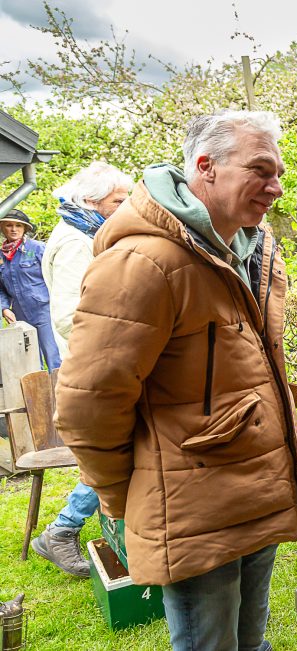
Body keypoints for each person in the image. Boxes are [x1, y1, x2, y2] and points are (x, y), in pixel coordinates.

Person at [55, 110, 297, 651]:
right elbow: (89, 403)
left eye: (280, 173)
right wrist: (118, 494)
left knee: (250, 644)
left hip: (254, 487)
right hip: (195, 503)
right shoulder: (144, 262)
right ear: (207, 167)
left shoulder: (250, 249)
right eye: (262, 170)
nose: (276, 187)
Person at [30, 162, 133, 578]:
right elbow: (71, 316)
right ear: (91, 201)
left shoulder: (85, 232)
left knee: (120, 450)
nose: (124, 207)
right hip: (96, 366)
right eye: (117, 201)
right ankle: (62, 529)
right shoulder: (75, 241)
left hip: (99, 362)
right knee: (116, 451)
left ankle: (71, 528)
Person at [0, 209, 61, 369]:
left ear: (25, 228)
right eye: (9, 225)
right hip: (19, 314)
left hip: (44, 310)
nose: (14, 229)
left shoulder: (38, 248)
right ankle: (38, 394)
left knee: (53, 355)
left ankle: (60, 392)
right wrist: (4, 308)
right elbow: (1, 289)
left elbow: (57, 274)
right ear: (2, 228)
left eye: (18, 225)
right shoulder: (1, 256)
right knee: (30, 359)